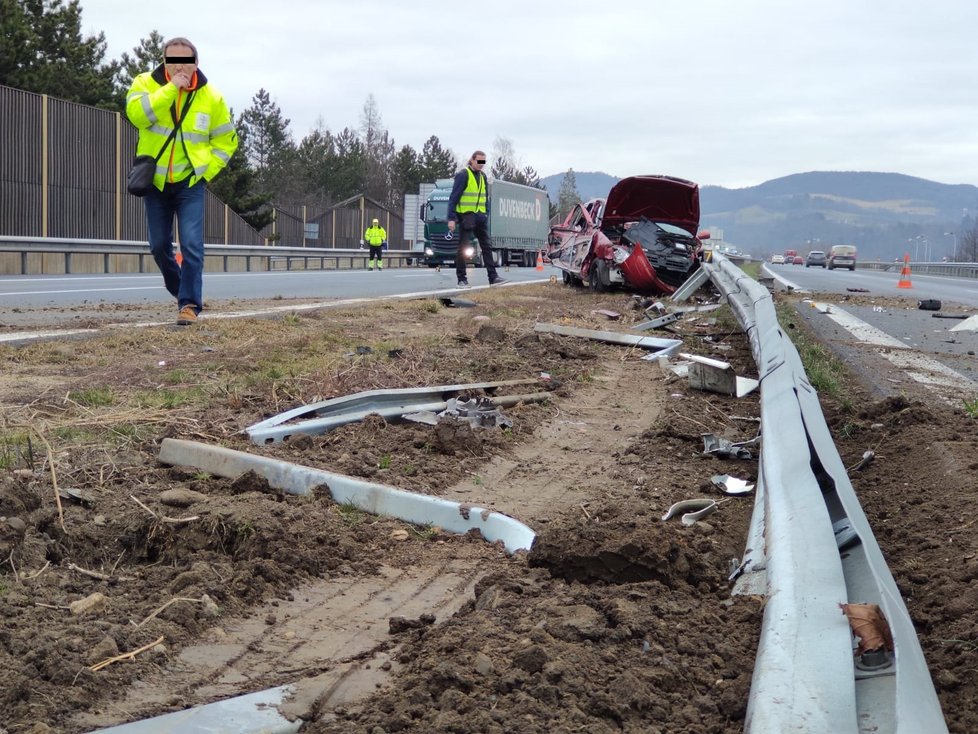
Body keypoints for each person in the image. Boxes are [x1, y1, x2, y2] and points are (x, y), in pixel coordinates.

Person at [125, 37, 238, 325]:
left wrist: (205, 172)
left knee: (191, 244)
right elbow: (137, 116)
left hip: (190, 182)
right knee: (159, 246)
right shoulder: (145, 84)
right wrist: (170, 89)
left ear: (196, 63)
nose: (179, 66)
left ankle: (189, 305)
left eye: (185, 61)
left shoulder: (211, 97)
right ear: (163, 61)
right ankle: (180, 291)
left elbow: (227, 141)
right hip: (156, 182)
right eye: (172, 60)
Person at [446, 150, 506, 288]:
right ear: (472, 160)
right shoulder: (463, 175)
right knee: (463, 247)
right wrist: (451, 218)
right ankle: (462, 279)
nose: (481, 164)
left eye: (483, 162)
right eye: (479, 161)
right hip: (466, 216)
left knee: (487, 247)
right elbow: (453, 198)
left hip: (480, 217)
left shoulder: (483, 176)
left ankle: (493, 277)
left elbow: (485, 197)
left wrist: (486, 213)